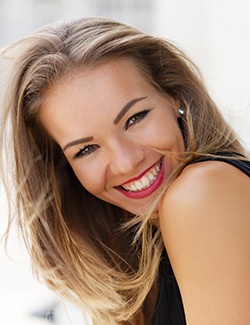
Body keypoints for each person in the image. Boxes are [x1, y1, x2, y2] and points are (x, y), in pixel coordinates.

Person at [1, 17, 250, 325]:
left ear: (174, 97)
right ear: (65, 169)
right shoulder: (148, 254)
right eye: (86, 150)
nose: (125, 162)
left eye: (135, 118)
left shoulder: (201, 192)